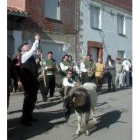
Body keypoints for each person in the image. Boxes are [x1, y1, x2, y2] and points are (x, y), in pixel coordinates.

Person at [18, 33, 40, 126]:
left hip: (34, 79)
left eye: (27, 44)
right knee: (28, 100)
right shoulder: (24, 55)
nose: (27, 45)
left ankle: (29, 115)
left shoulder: (30, 55)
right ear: (22, 49)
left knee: (33, 98)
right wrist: (36, 40)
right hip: (28, 81)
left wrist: (39, 42)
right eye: (25, 45)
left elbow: (37, 55)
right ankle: (24, 118)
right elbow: (33, 50)